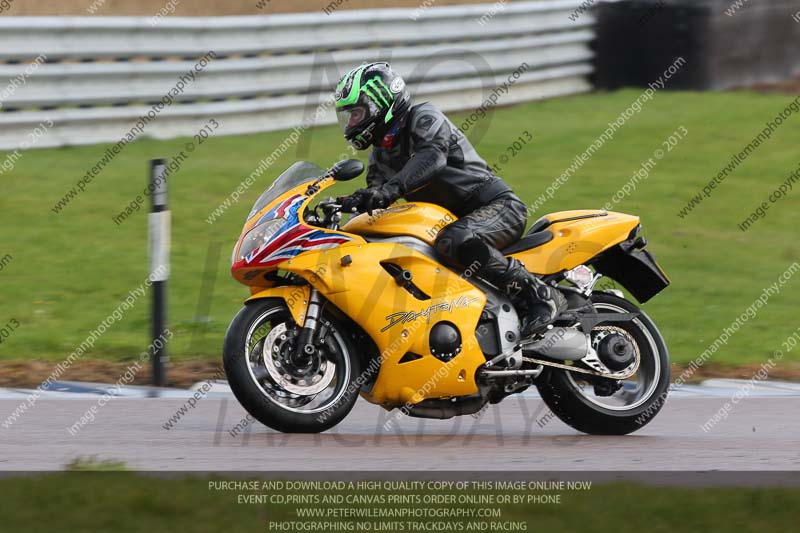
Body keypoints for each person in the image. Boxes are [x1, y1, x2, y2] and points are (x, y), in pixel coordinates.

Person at [336, 62, 566, 336]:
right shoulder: (380, 155)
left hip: (498, 207)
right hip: (452, 223)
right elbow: (374, 204)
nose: (351, 123)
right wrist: (347, 212)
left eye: (356, 113)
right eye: (348, 117)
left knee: (452, 240)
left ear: (381, 103)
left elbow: (432, 156)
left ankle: (540, 295)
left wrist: (390, 189)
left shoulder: (423, 117)